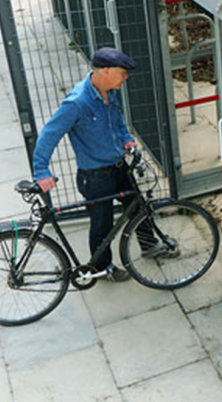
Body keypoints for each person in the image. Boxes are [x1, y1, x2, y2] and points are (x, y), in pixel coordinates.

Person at [32, 47, 163, 282]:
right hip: (95, 177)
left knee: (137, 207)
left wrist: (125, 139)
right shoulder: (77, 103)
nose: (126, 78)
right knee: (102, 225)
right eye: (122, 73)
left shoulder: (109, 92)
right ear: (106, 71)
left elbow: (117, 121)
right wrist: (41, 171)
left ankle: (150, 245)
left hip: (119, 167)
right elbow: (49, 135)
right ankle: (102, 269)